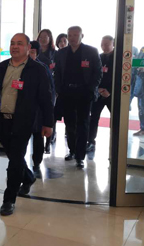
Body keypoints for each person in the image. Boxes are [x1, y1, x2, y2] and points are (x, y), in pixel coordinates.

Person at [0, 35, 53, 216]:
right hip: (1, 120)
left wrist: (48, 123)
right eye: (12, 43)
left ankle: (9, 200)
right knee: (15, 156)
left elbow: (46, 98)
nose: (15, 47)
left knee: (14, 161)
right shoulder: (1, 67)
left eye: (19, 44)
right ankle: (28, 177)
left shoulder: (37, 70)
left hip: (23, 121)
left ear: (29, 48)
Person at [53, 26, 102, 168]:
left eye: (75, 35)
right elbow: (57, 73)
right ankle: (72, 151)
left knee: (83, 124)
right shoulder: (61, 53)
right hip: (67, 93)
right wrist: (59, 90)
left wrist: (91, 89)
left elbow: (98, 73)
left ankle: (80, 156)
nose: (72, 38)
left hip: (84, 93)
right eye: (70, 35)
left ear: (82, 36)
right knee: (69, 124)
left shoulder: (91, 51)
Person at [27, 40, 55, 176]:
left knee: (38, 137)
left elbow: (50, 92)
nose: (29, 54)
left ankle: (37, 163)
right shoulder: (17, 67)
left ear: (37, 53)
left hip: (38, 111)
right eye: (28, 51)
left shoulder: (42, 68)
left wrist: (48, 115)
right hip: (22, 112)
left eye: (32, 52)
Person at [87, 36, 114, 153]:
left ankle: (115, 142)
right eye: (102, 44)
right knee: (94, 117)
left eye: (107, 44)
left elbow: (119, 77)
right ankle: (90, 141)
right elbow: (94, 74)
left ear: (113, 44)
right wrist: (97, 89)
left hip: (111, 94)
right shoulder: (99, 57)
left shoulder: (117, 58)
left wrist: (110, 91)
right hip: (98, 92)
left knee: (116, 118)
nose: (104, 47)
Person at [36, 29, 56, 152]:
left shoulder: (54, 53)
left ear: (50, 38)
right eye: (41, 37)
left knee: (49, 112)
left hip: (50, 87)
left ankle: (48, 142)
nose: (43, 39)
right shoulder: (35, 51)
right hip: (37, 86)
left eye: (46, 37)